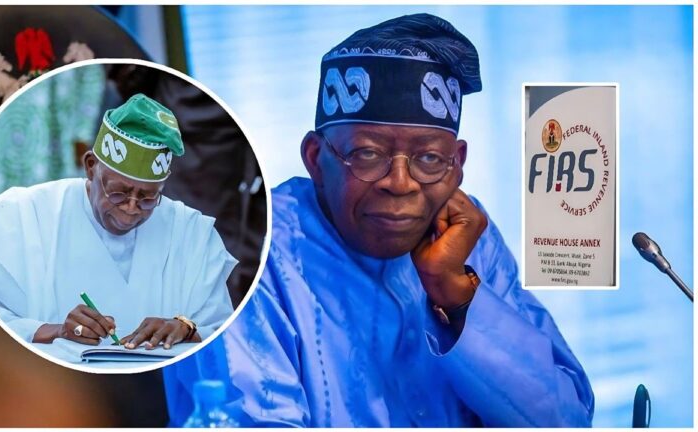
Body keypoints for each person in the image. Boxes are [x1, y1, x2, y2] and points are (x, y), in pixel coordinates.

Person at [163, 14, 594, 427]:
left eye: (429, 158)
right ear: (316, 158)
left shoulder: (466, 235)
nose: (401, 184)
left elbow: (567, 420)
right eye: (367, 154)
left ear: (457, 165)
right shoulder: (244, 260)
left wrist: (458, 295)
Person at [0, 93, 237, 351]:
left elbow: (225, 332)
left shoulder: (190, 231)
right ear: (91, 167)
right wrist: (55, 331)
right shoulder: (24, 214)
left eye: (148, 198)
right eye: (118, 192)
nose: (131, 209)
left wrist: (185, 329)